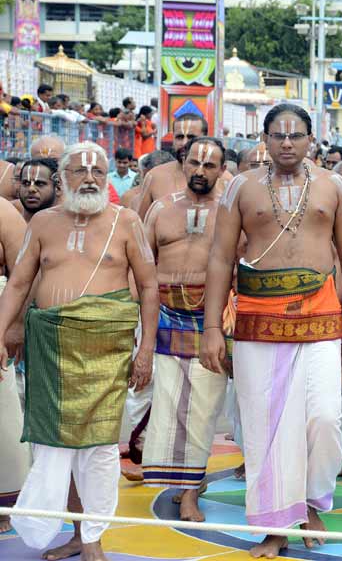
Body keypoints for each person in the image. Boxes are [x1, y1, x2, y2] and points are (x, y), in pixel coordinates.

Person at [200, 104, 342, 558]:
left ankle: (312, 500)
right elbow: (219, 257)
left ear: (312, 139)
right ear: (266, 139)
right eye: (278, 135)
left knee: (325, 418)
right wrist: (213, 326)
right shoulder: (241, 188)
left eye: (296, 135)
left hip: (322, 316)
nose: (287, 143)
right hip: (258, 321)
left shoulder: (335, 187)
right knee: (266, 425)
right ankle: (276, 524)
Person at [0, 141, 157, 561]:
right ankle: (75, 532)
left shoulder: (127, 222)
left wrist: (146, 351)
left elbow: (148, 286)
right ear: (61, 179)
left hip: (107, 347)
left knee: (100, 447)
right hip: (50, 346)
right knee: (56, 445)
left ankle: (93, 541)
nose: (90, 178)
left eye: (98, 172)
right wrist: (0, 332)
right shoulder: (43, 223)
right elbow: (18, 283)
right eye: (79, 171)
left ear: (107, 178)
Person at [141, 137, 229, 523]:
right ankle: (179, 484)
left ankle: (191, 492)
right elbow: (141, 268)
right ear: (183, 162)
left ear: (222, 171)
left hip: (208, 319)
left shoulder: (230, 213)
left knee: (202, 410)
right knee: (168, 406)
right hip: (163, 314)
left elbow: (239, 267)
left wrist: (227, 321)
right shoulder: (160, 210)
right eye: (194, 162)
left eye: (209, 166)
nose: (200, 171)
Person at [0, 195, 28, 534]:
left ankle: (3, 505)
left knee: (3, 413)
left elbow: (23, 272)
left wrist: (15, 325)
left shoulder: (4, 210)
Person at [136, 113, 209, 218]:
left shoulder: (223, 180)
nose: (184, 143)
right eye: (179, 137)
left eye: (191, 137)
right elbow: (141, 225)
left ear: (205, 138)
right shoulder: (155, 177)